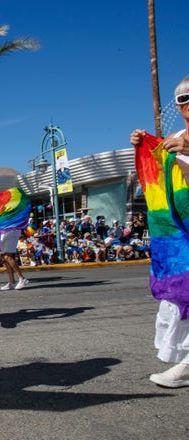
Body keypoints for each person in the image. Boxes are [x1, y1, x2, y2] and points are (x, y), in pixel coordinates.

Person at [130, 75, 189, 388]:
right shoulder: (175, 136)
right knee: (180, 291)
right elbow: (159, 179)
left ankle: (185, 366)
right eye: (182, 99)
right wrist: (143, 147)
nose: (188, 104)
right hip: (179, 232)